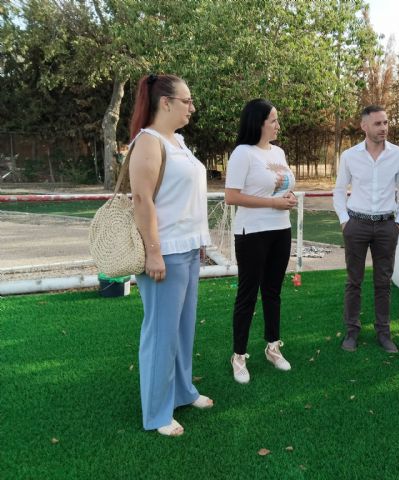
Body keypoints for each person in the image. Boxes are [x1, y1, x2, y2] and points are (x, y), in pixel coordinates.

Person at [129, 74, 214, 437]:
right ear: (165, 102)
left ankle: (182, 392)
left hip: (188, 248)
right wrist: (153, 253)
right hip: (164, 253)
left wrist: (200, 238)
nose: (191, 108)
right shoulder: (147, 142)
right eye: (187, 101)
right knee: (161, 333)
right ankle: (157, 412)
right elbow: (142, 200)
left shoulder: (177, 141)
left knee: (182, 330)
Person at [225, 98, 297, 384]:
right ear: (259, 123)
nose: (278, 125)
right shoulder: (243, 153)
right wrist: (272, 203)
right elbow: (232, 196)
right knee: (247, 294)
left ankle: (272, 347)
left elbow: (285, 185)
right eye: (274, 120)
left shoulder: (278, 152)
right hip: (252, 233)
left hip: (281, 230)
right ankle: (239, 356)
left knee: (273, 291)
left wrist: (288, 198)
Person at [333, 105, 399, 353]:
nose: (384, 128)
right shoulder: (349, 156)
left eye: (386, 123)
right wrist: (345, 220)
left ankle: (384, 333)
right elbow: (338, 190)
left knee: (383, 282)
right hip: (356, 224)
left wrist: (398, 221)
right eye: (378, 123)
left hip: (387, 226)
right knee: (353, 281)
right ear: (364, 126)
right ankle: (352, 332)